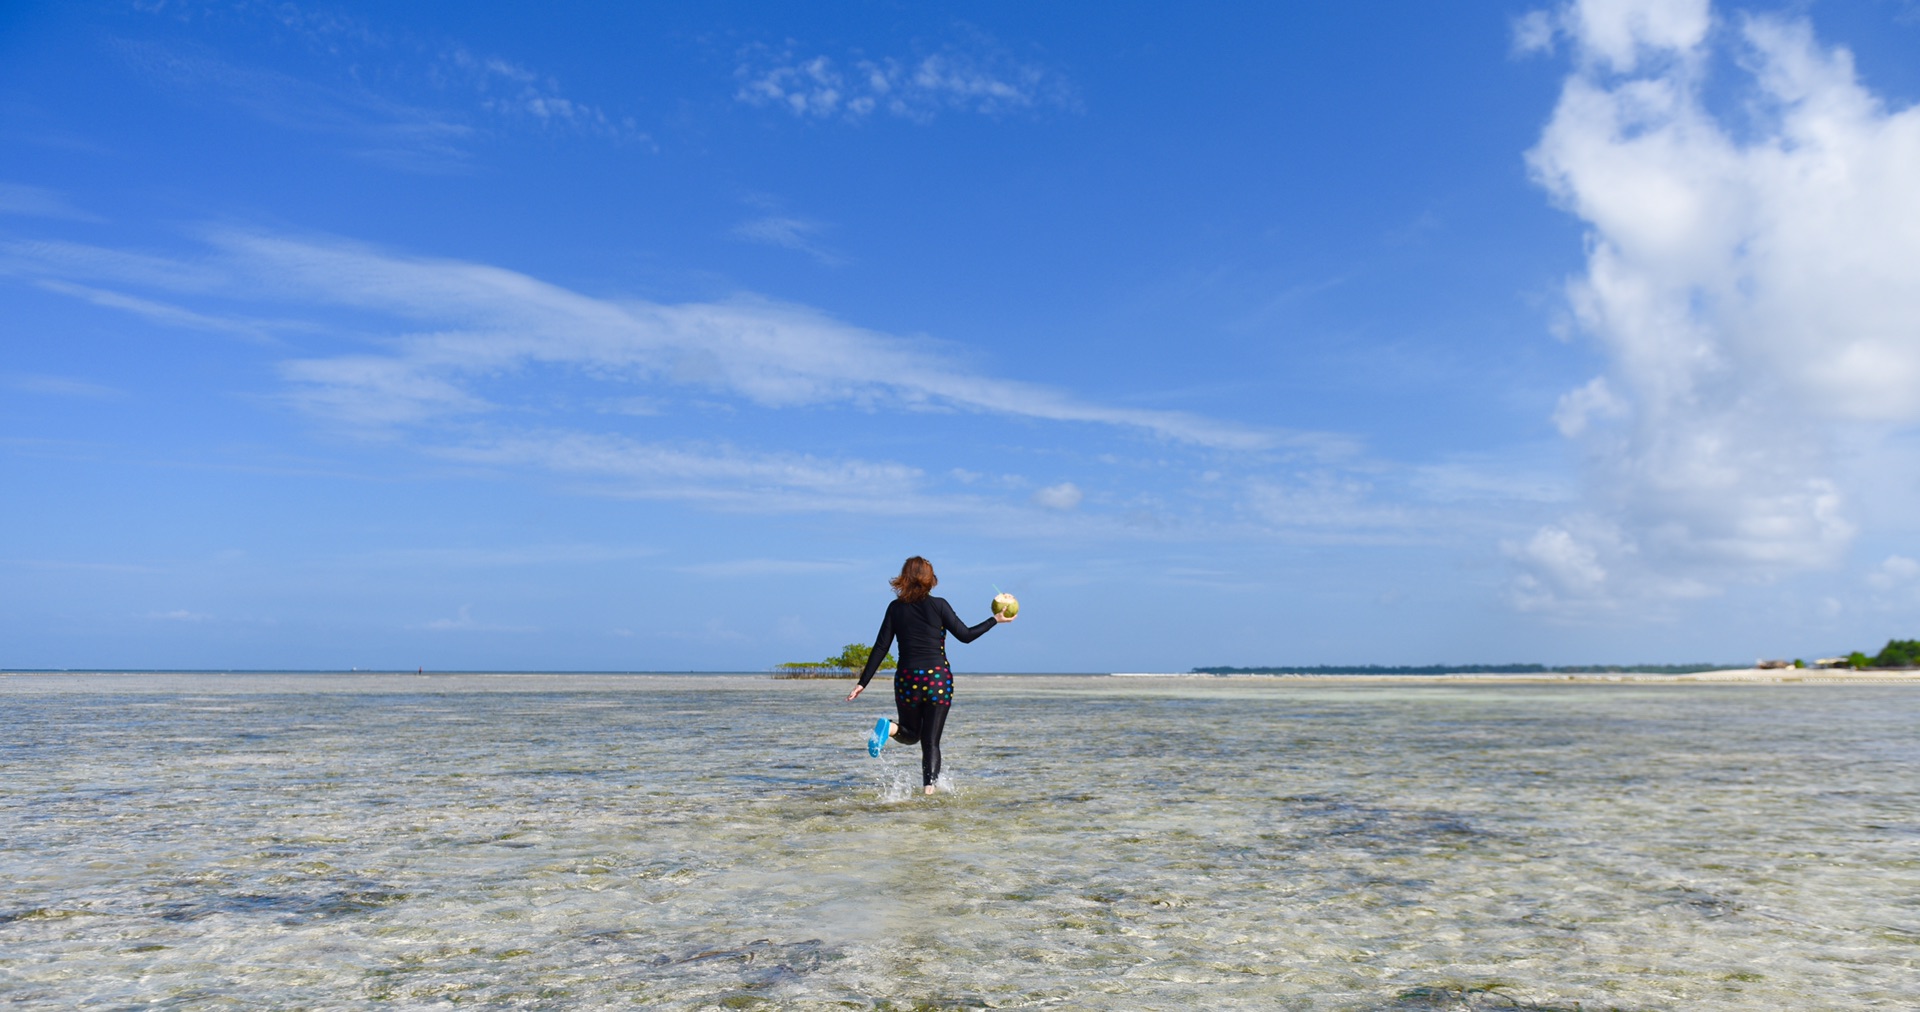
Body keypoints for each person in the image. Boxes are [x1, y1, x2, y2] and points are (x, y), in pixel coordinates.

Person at [846, 556, 1013, 795]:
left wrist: (863, 683)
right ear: (930, 579)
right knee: (931, 741)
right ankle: (928, 793)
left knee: (910, 733)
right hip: (937, 679)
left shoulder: (895, 608)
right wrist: (995, 620)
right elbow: (965, 635)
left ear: (904, 577)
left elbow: (881, 647)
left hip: (907, 678)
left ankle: (890, 728)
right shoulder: (940, 605)